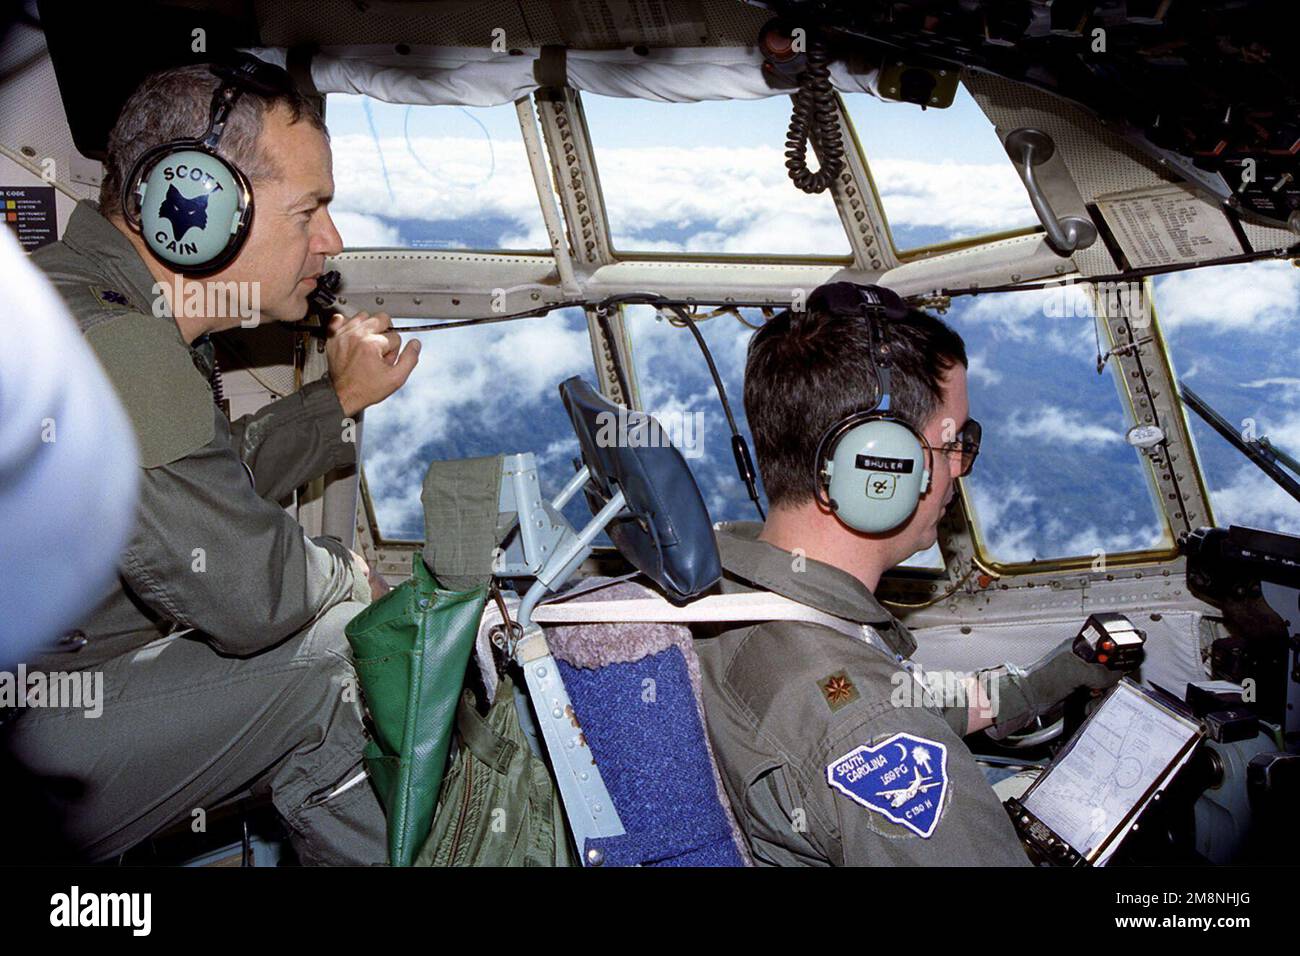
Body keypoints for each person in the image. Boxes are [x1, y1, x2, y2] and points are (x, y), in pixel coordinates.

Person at [3, 57, 418, 864]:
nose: (329, 243)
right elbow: (245, 590)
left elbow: (199, 486)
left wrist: (334, 403)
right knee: (340, 652)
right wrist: (344, 571)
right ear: (192, 208)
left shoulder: (100, 301)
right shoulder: (118, 343)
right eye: (310, 211)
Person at [696, 282, 1121, 866]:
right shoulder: (873, 727)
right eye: (953, 444)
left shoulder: (727, 594)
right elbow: (865, 722)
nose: (959, 471)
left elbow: (855, 705)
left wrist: (1037, 686)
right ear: (879, 464)